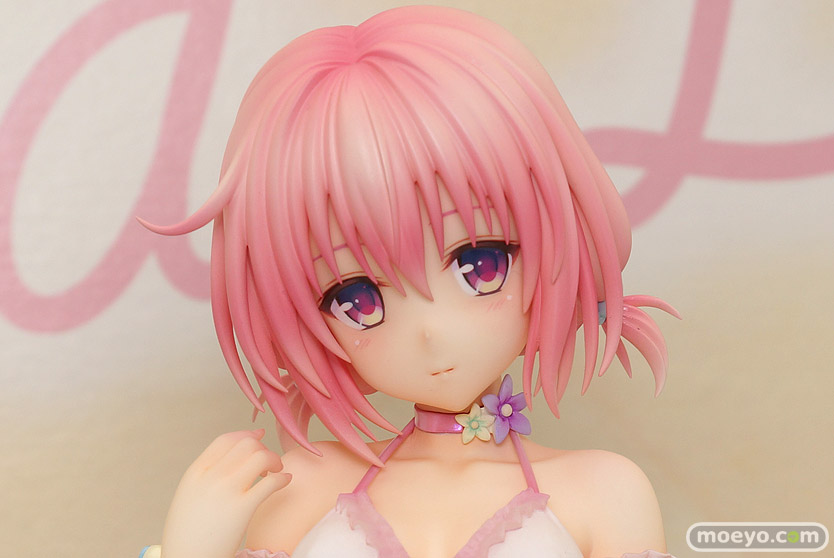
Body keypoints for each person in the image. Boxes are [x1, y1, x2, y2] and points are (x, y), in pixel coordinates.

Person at [142, 6, 679, 558]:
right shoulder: (302, 486)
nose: (429, 331)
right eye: (356, 300)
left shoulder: (603, 491)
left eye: (480, 265)